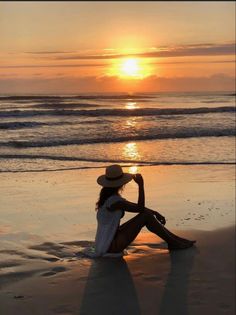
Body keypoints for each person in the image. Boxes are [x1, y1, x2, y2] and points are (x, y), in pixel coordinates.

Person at [94, 164, 196, 257]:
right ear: (121, 183)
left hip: (104, 243)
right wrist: (141, 185)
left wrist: (155, 212)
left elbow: (134, 206)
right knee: (145, 215)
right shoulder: (115, 201)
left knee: (146, 214)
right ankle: (173, 242)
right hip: (110, 246)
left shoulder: (108, 199)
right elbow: (140, 208)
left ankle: (176, 240)